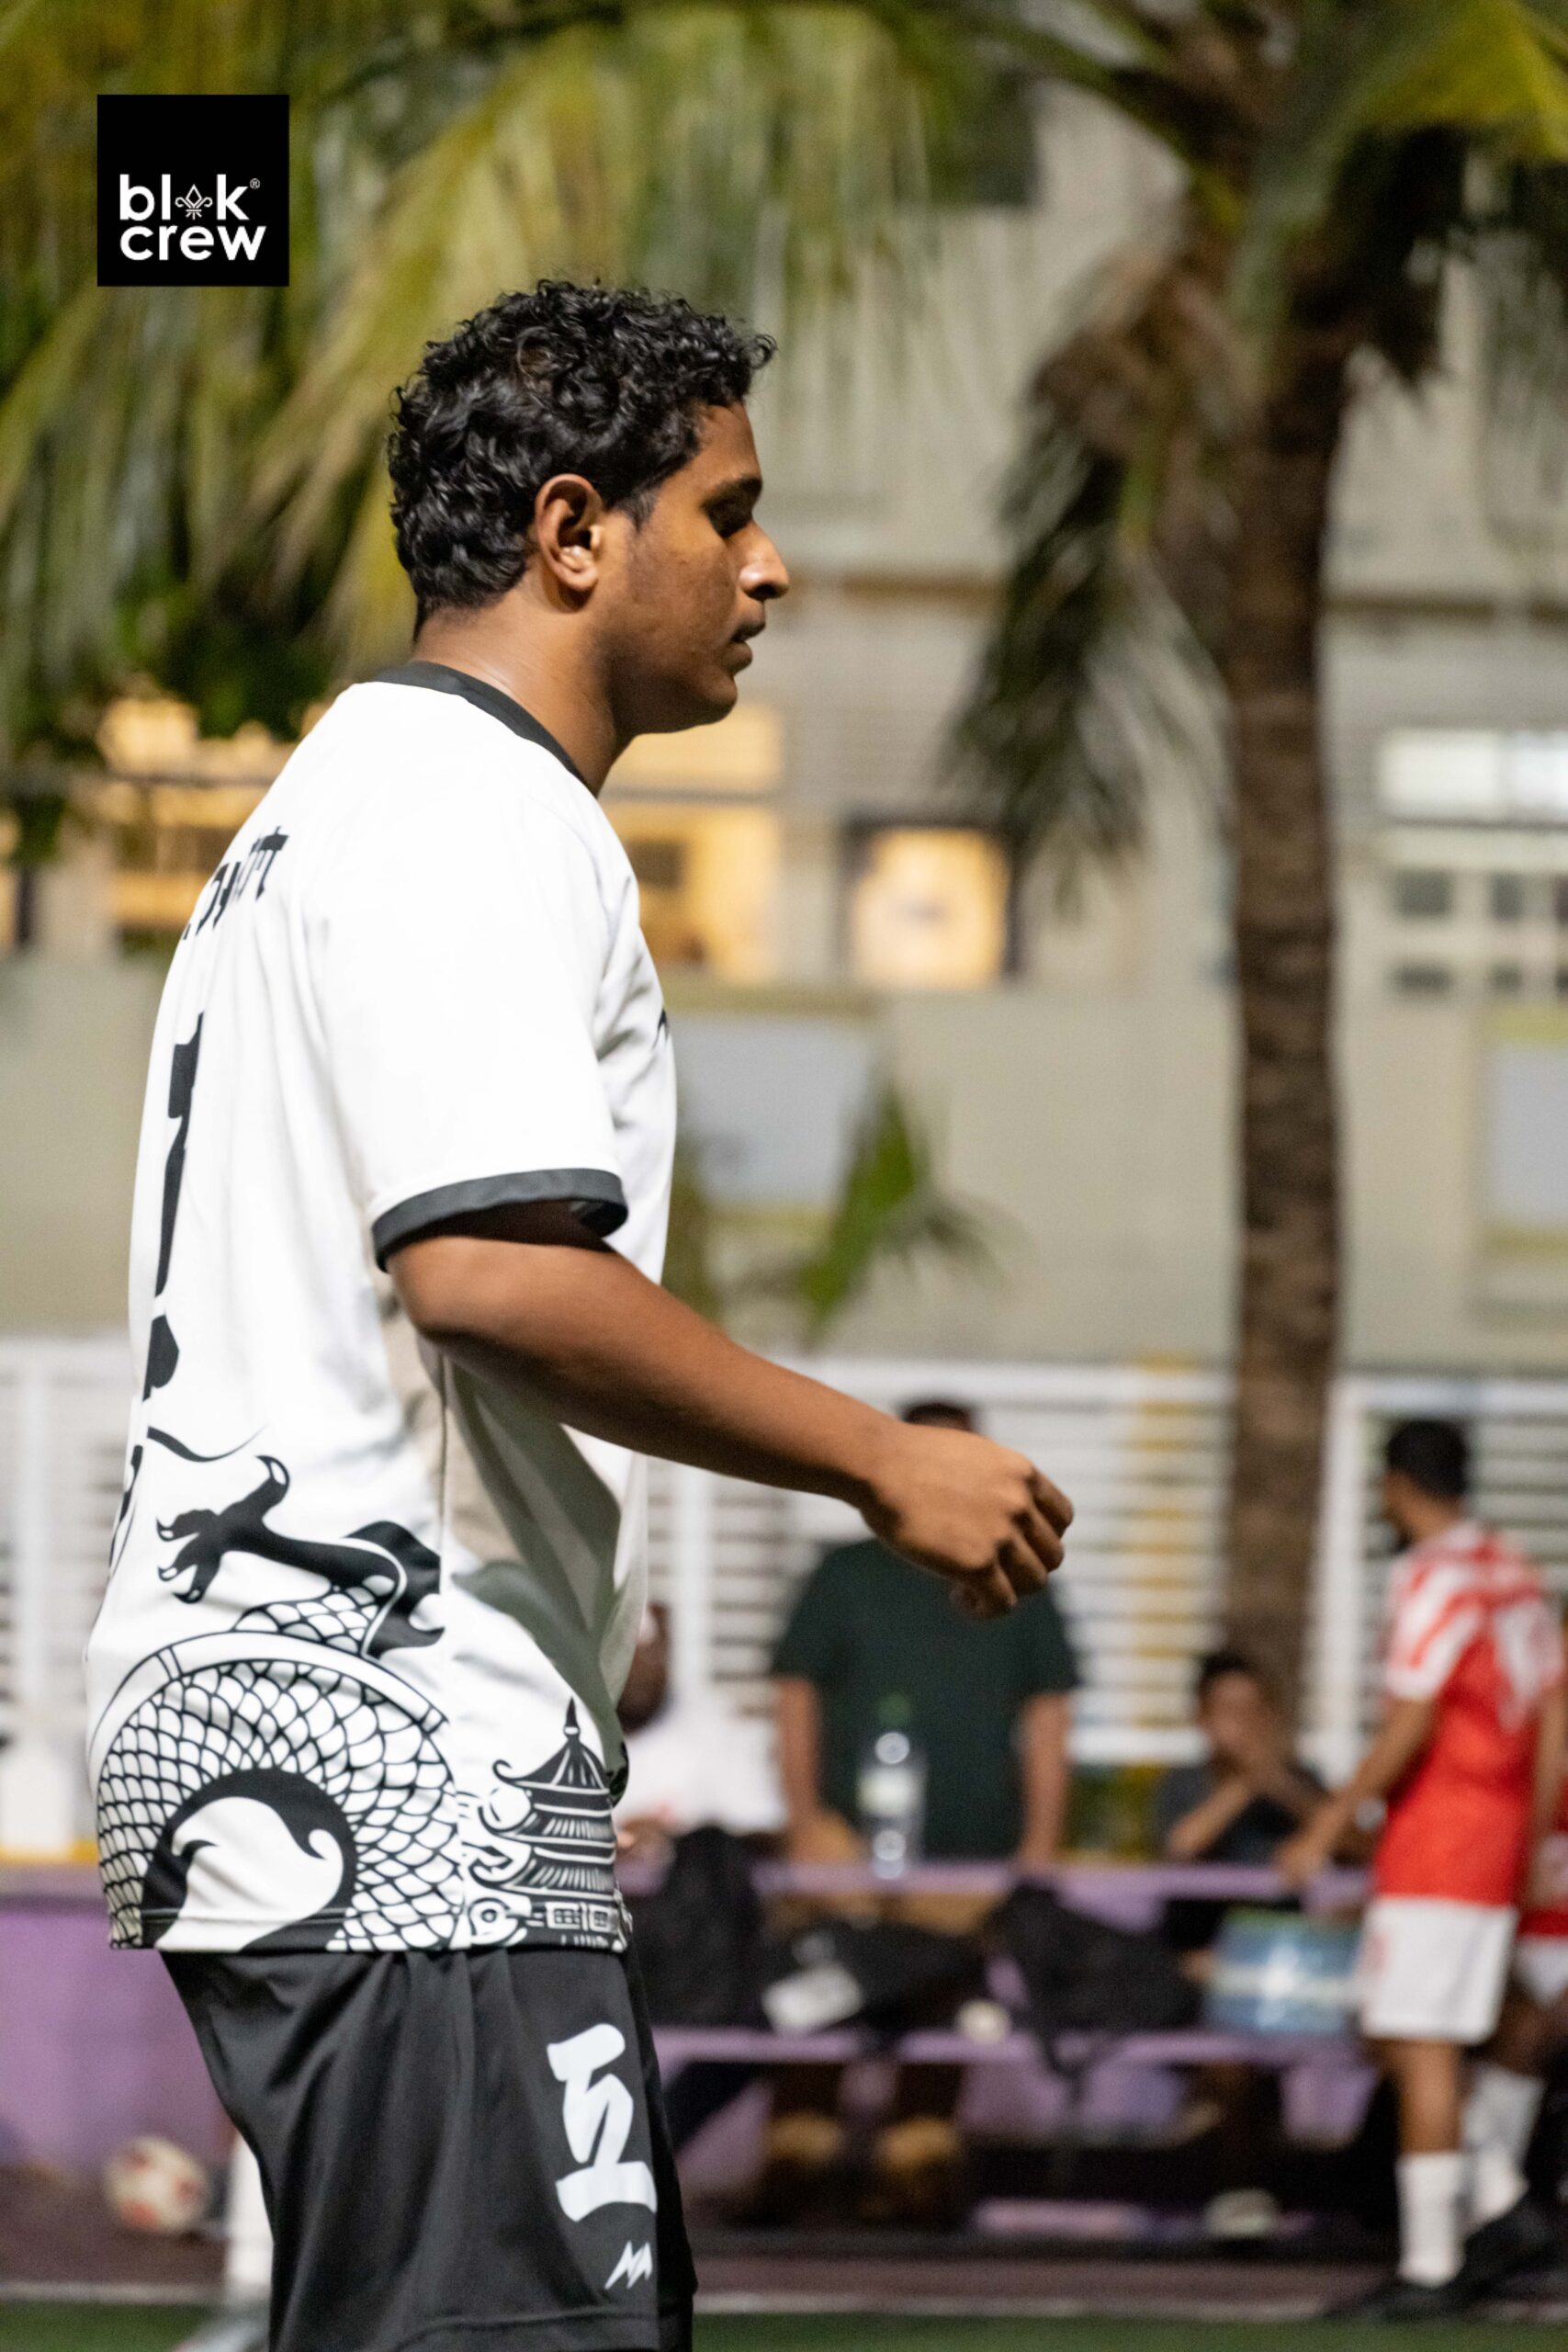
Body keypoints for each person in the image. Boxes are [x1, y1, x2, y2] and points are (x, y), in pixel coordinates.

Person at [83, 283, 1072, 2352]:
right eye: (728, 511)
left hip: (345, 1736)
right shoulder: (472, 806)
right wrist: (876, 1457)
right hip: (394, 1751)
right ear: (571, 533)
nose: (768, 568)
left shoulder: (338, 800)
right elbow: (490, 1270)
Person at [762, 1396, 1079, 2224]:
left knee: (945, 2016)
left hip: (966, 1852)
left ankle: (915, 2178)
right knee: (822, 2005)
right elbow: (795, 1693)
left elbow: (1049, 1716)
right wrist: (804, 1818)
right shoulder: (843, 1574)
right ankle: (797, 2169)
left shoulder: (1017, 1578)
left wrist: (1039, 1846)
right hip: (846, 1848)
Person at [1280, 1419, 1564, 2319]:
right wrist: (1529, 1838)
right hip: (1495, 1828)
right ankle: (1499, 2202)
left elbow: (1412, 1713)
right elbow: (1551, 1713)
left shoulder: (1431, 1575)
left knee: (1419, 2042)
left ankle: (1435, 2262)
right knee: (1410, 2032)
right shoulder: (1511, 1568)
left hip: (1441, 1833)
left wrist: (1329, 1820)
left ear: (1396, 1485)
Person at [1154, 1648, 1326, 1956]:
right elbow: (1181, 1846)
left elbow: (1354, 1844)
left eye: (1255, 1708)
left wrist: (1287, 1790)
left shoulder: (1301, 1780)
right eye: (1231, 1710)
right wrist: (1247, 1782)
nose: (1246, 1722)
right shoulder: (1184, 1781)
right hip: (1197, 1947)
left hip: (1283, 1948)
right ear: (1202, 1718)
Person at [615, 1603, 784, 1854]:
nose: (639, 1669)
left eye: (651, 1652)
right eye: (624, 1653)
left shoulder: (718, 1726)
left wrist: (680, 1844)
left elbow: (764, 1836)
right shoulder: (560, 1731)